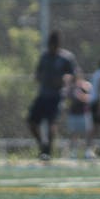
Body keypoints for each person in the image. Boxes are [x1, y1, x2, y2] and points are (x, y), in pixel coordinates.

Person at [27, 30, 78, 161]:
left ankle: (48, 152)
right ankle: (42, 146)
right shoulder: (44, 57)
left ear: (58, 45)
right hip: (43, 95)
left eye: (54, 45)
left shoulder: (66, 58)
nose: (52, 47)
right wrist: (38, 77)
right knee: (31, 122)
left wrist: (66, 79)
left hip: (57, 96)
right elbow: (37, 74)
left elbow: (74, 75)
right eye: (50, 45)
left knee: (52, 123)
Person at [64, 76, 92, 160]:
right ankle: (74, 153)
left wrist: (81, 95)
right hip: (73, 114)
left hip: (83, 114)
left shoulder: (85, 86)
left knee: (87, 134)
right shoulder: (70, 88)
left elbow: (89, 97)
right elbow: (66, 98)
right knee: (74, 134)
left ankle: (88, 152)